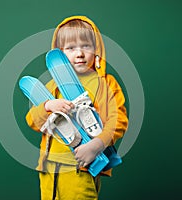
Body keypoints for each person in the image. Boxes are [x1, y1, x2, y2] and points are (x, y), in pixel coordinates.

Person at [25, 15, 128, 200]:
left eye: (86, 46)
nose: (79, 53)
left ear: (96, 50)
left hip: (82, 168)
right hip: (49, 170)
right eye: (71, 48)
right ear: (59, 53)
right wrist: (48, 106)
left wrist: (97, 145)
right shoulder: (52, 86)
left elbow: (118, 120)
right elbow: (32, 120)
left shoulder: (105, 84)